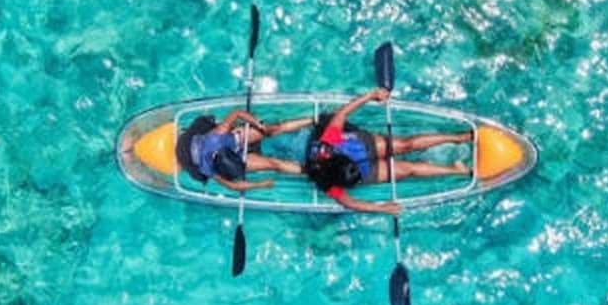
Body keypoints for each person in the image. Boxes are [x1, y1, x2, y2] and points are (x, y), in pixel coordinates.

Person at [304, 89, 472, 214]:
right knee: (409, 169)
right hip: (366, 172)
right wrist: (384, 209)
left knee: (407, 144)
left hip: (359, 146)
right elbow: (352, 204)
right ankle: (455, 170)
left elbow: (342, 113)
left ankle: (458, 138)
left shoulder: (328, 141)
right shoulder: (326, 182)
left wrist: (371, 95)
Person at [176, 110, 312, 192]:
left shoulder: (218, 136)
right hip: (208, 156)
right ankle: (311, 171)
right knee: (274, 164)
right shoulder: (209, 169)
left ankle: (314, 120)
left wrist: (259, 125)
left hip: (229, 140)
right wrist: (260, 184)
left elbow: (237, 113)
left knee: (275, 129)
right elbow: (234, 186)